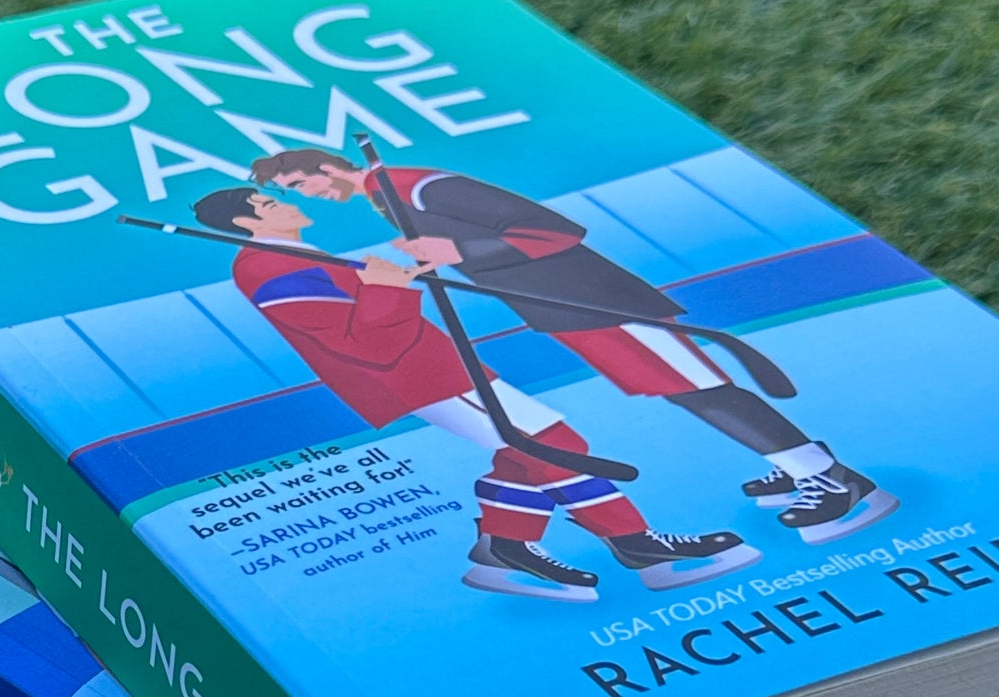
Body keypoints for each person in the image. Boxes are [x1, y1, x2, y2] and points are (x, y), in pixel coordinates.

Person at [247, 149, 896, 543]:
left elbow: (550, 229)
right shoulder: (387, 199)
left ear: (325, 168)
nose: (309, 196)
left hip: (598, 302)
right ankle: (798, 461)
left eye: (302, 185)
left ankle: (832, 478)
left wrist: (457, 249)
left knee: (698, 388)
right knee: (681, 392)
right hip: (565, 312)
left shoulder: (416, 186)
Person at [190, 185, 758, 601]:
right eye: (268, 203)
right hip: (413, 373)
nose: (284, 204)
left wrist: (393, 280)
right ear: (246, 220)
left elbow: (365, 315)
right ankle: (638, 543)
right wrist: (387, 287)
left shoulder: (295, 255)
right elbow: (357, 341)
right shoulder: (267, 266)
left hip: (436, 363)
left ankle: (505, 548)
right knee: (554, 443)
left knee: (525, 450)